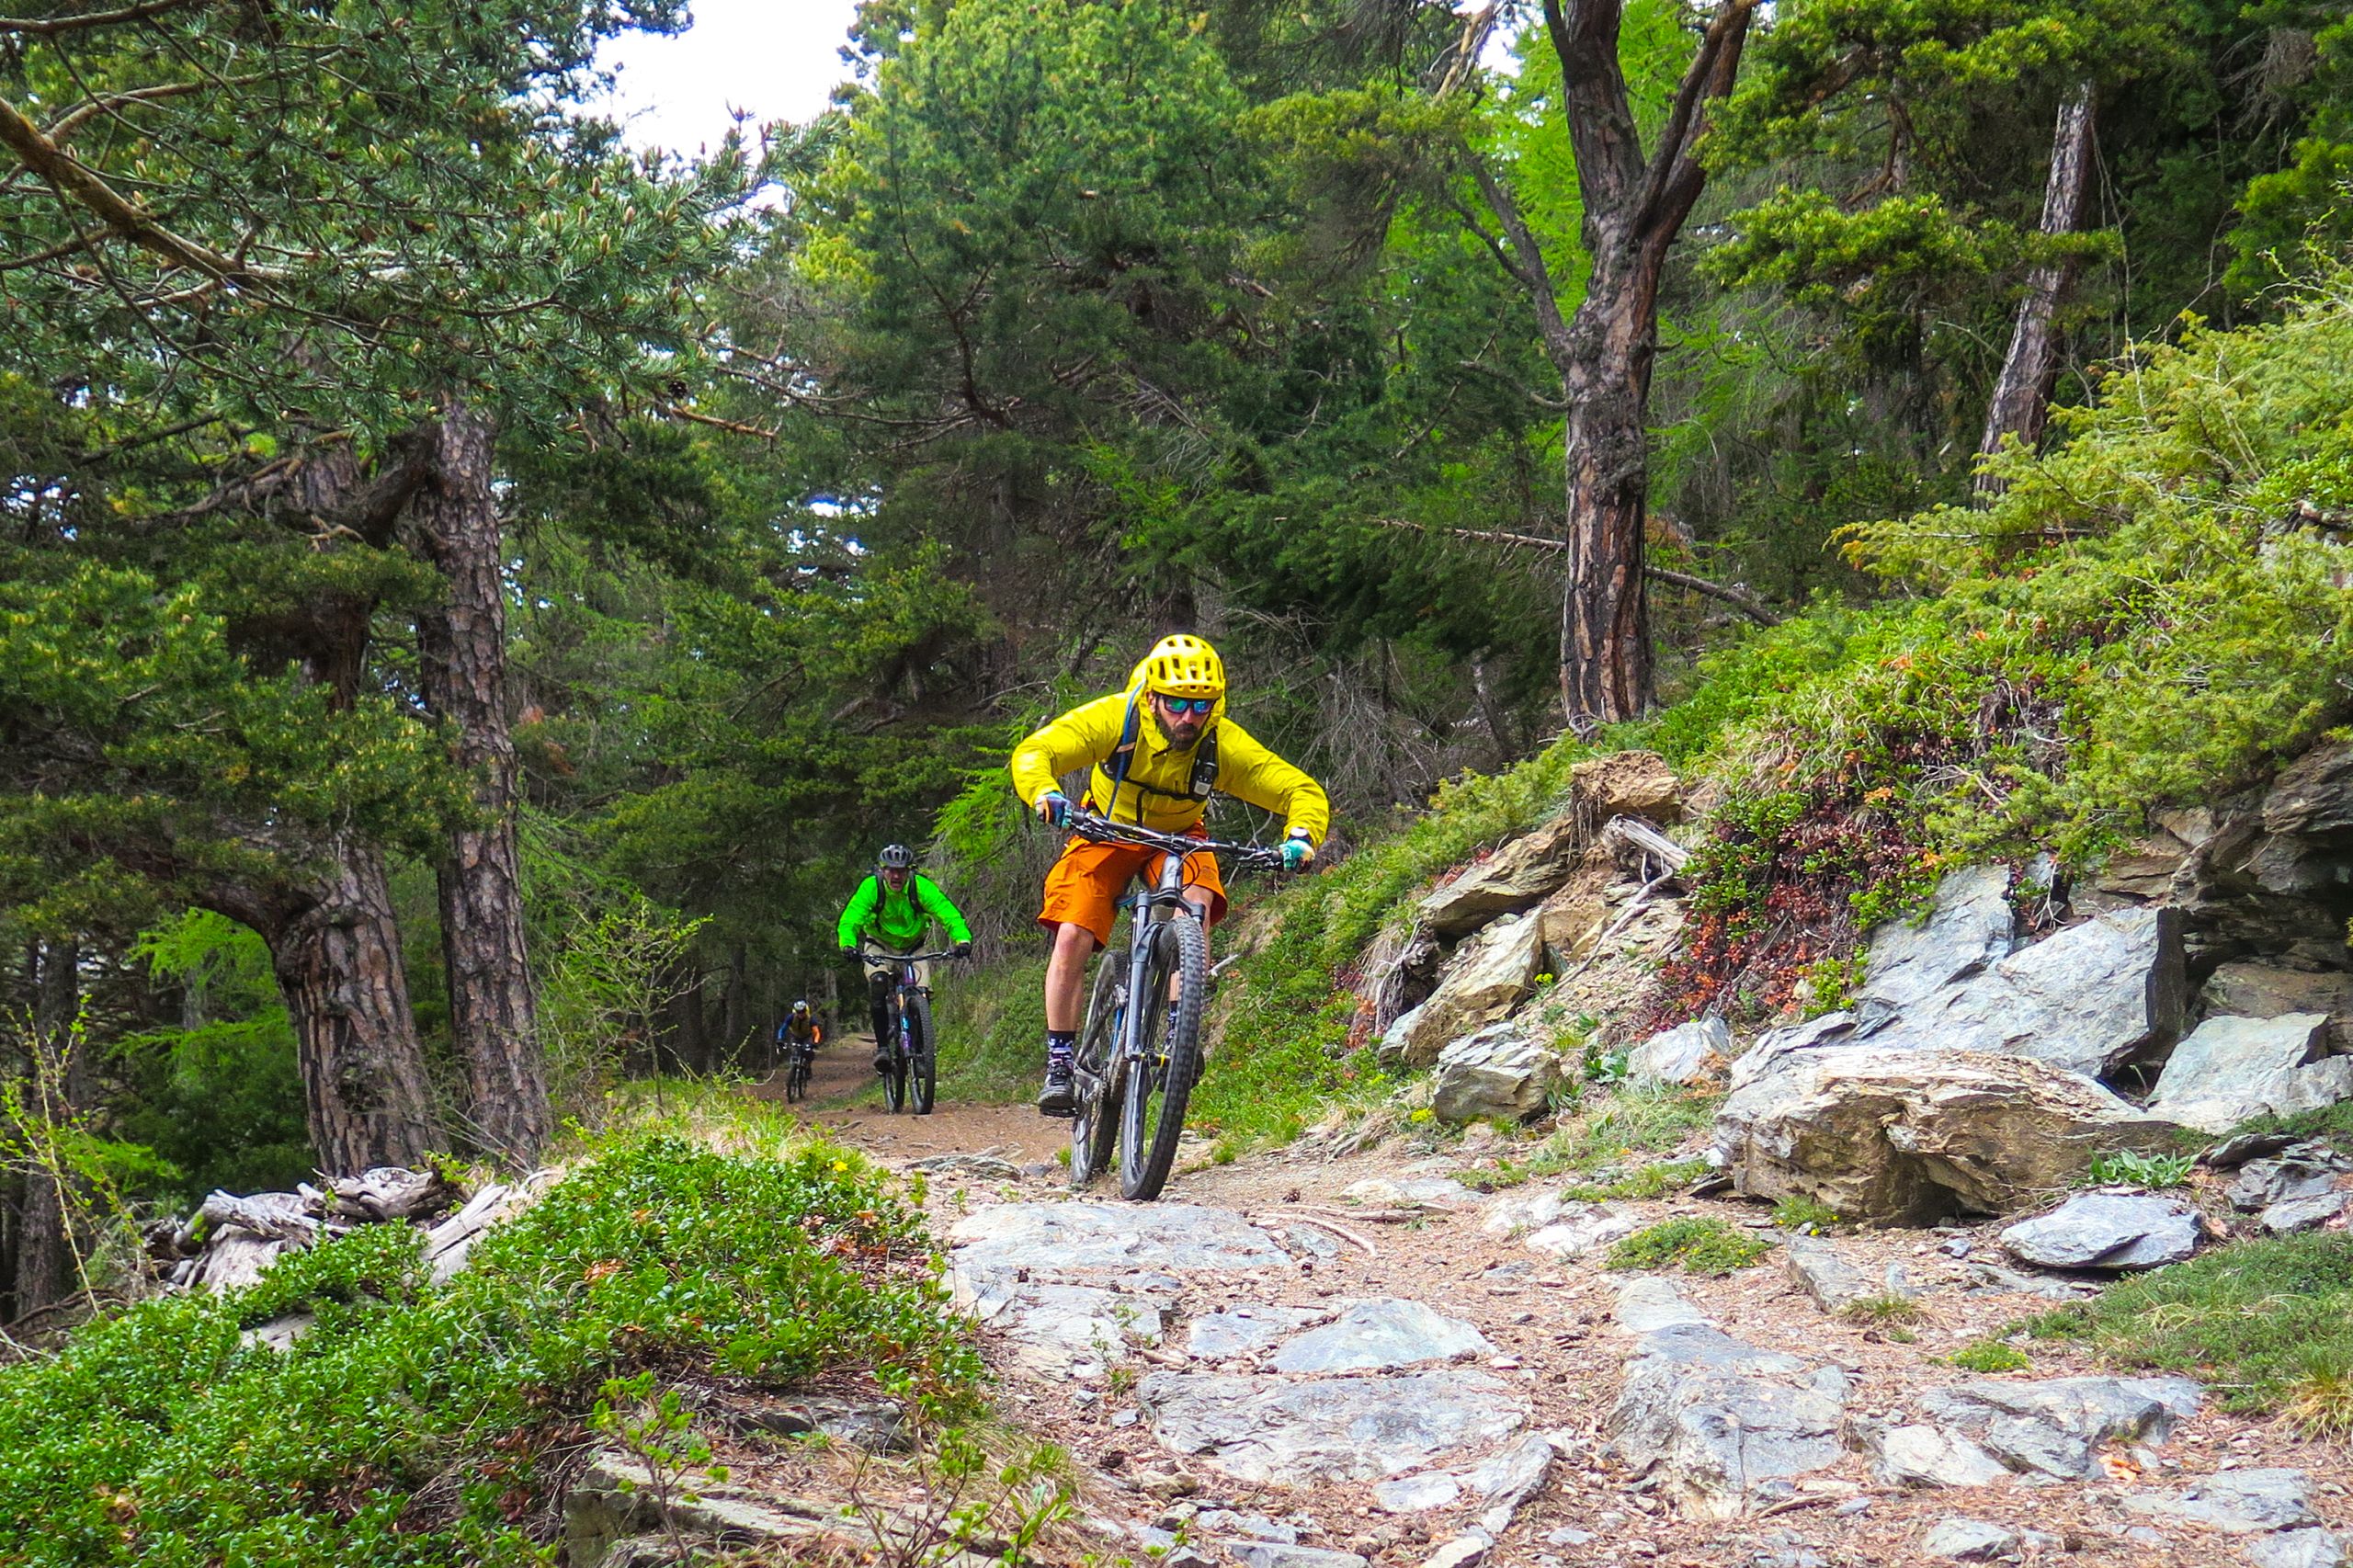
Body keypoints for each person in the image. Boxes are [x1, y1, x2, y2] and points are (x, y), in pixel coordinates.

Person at [1008, 633, 1327, 1116]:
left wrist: (1301, 837)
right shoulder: (1117, 717)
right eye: (1177, 703)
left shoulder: (1220, 741)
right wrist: (1046, 794)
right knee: (1073, 931)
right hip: (1106, 829)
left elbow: (1296, 789)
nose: (1188, 717)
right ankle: (1059, 1062)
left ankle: (1179, 1037)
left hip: (1181, 834)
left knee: (1195, 907)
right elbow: (1039, 752)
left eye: (1201, 706)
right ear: (1154, 695)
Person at [836, 844, 973, 1071]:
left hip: (913, 947)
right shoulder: (872, 888)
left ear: (910, 871)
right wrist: (848, 945)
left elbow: (947, 913)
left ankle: (920, 1052)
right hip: (879, 945)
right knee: (878, 983)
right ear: (883, 870)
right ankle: (882, 1048)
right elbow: (851, 918)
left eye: (901, 870)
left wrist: (962, 940)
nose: (896, 875)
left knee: (921, 993)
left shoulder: (920, 887)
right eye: (891, 870)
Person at [775, 999, 822, 1071]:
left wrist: (815, 1042)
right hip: (795, 1036)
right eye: (798, 1012)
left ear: (805, 1011)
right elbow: (782, 1029)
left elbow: (817, 1032)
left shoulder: (811, 1019)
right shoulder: (791, 1018)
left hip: (807, 1037)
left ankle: (808, 1067)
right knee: (794, 1052)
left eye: (802, 1011)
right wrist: (780, 1039)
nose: (801, 1014)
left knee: (808, 1052)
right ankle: (792, 1068)